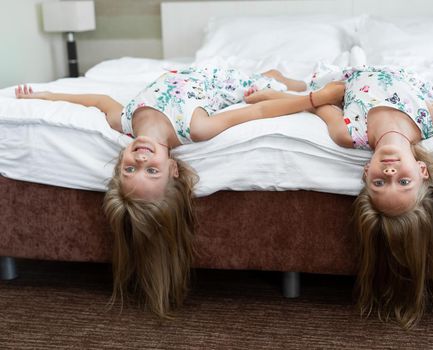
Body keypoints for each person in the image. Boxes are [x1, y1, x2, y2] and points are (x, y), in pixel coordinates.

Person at [15, 67, 343, 317]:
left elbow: (98, 101)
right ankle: (289, 79)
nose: (140, 158)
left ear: (120, 164)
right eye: (151, 169)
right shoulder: (196, 128)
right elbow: (256, 112)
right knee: (270, 87)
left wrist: (44, 97)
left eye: (131, 168)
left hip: (191, 71)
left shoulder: (124, 122)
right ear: (173, 168)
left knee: (267, 79)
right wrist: (317, 99)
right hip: (232, 81)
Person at [245, 65, 433, 328]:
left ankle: (283, 79)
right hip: (400, 74)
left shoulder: (349, 133)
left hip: (350, 78)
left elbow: (319, 106)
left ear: (366, 172)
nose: (390, 170)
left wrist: (282, 98)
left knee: (310, 85)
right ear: (422, 170)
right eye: (403, 181)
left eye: (380, 182)